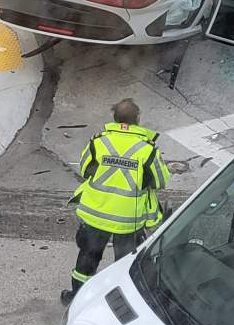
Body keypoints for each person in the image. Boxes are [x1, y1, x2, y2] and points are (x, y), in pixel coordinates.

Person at [61, 98, 170, 306]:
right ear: (137, 119)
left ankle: (76, 298)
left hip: (96, 213)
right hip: (128, 219)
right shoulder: (148, 150)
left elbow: (85, 170)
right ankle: (123, 303)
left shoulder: (98, 142)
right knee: (125, 263)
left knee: (88, 256)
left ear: (115, 118)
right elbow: (161, 181)